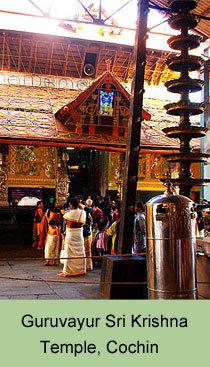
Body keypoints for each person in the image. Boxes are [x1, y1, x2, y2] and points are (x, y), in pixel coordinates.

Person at [57, 197, 86, 277]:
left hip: (71, 233)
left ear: (71, 205)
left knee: (69, 252)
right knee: (80, 251)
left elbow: (65, 221)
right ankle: (81, 269)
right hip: (79, 233)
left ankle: (68, 271)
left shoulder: (69, 214)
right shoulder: (83, 213)